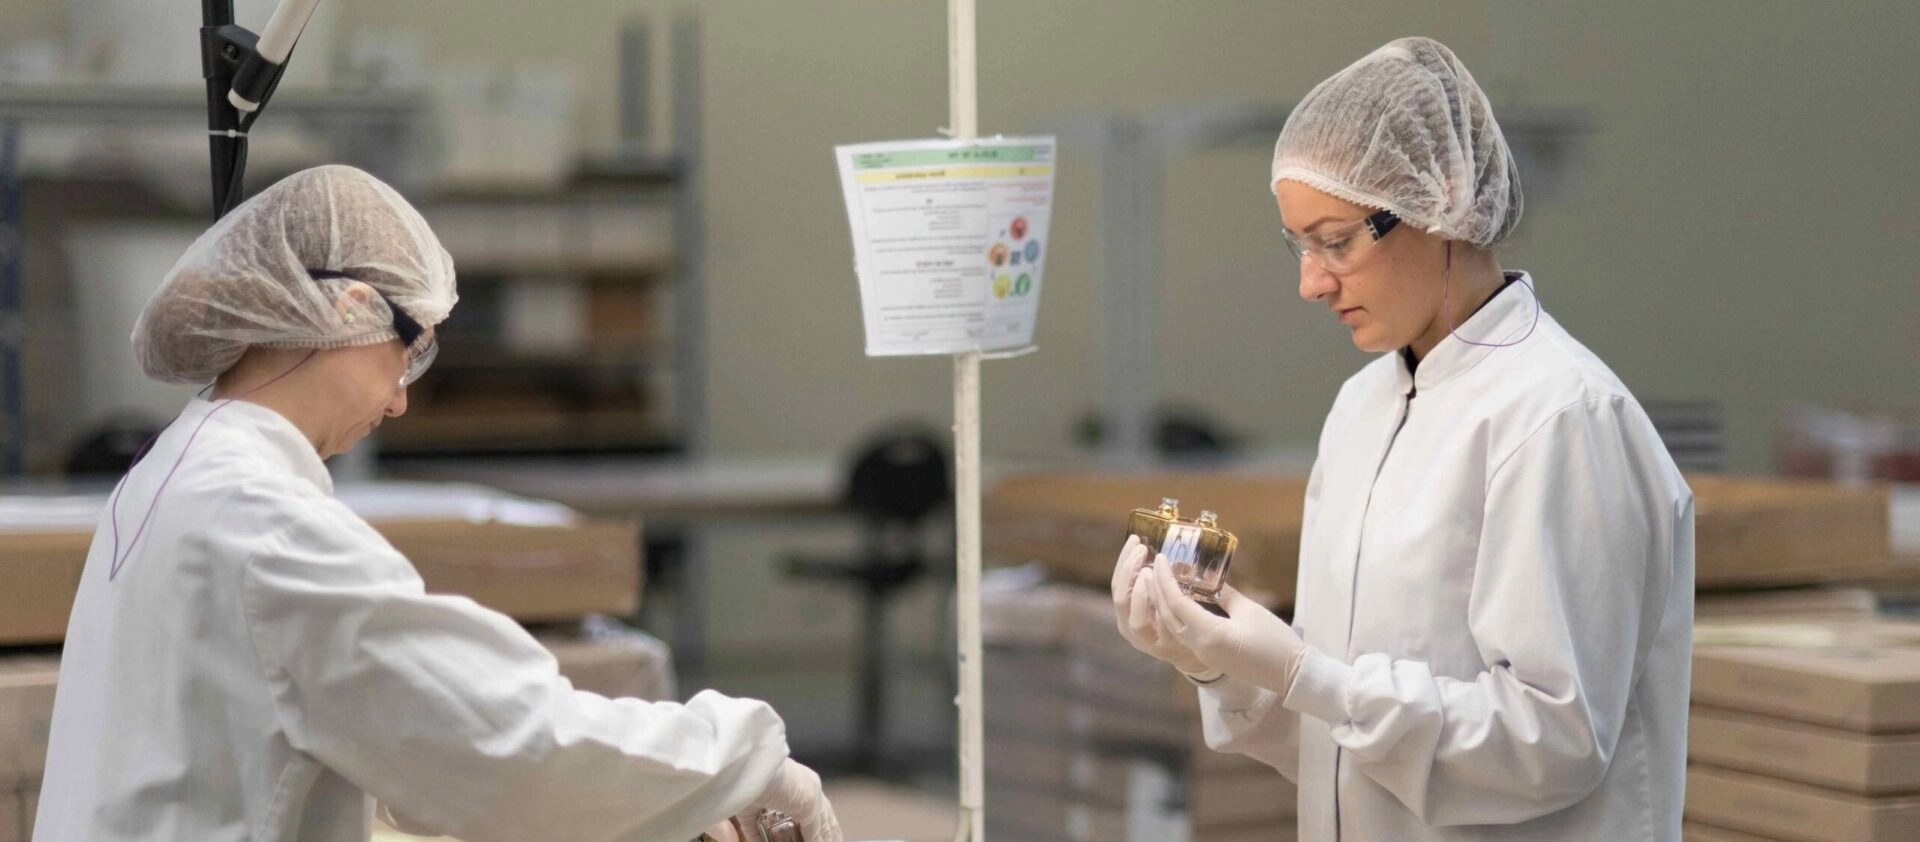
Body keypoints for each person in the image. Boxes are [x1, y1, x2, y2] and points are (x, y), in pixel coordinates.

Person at [35, 165, 841, 842]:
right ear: (349, 309)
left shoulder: (174, 471)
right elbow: (510, 744)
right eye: (408, 350)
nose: (398, 401)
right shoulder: (265, 526)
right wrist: (745, 761)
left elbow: (366, 736)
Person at [1111, 37, 1694, 840]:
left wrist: (1306, 673)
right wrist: (1220, 662)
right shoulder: (1362, 408)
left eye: (1336, 241)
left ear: (1442, 199)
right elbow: (1345, 748)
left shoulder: (1561, 416)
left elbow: (1554, 743)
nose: (1311, 283)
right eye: (1299, 246)